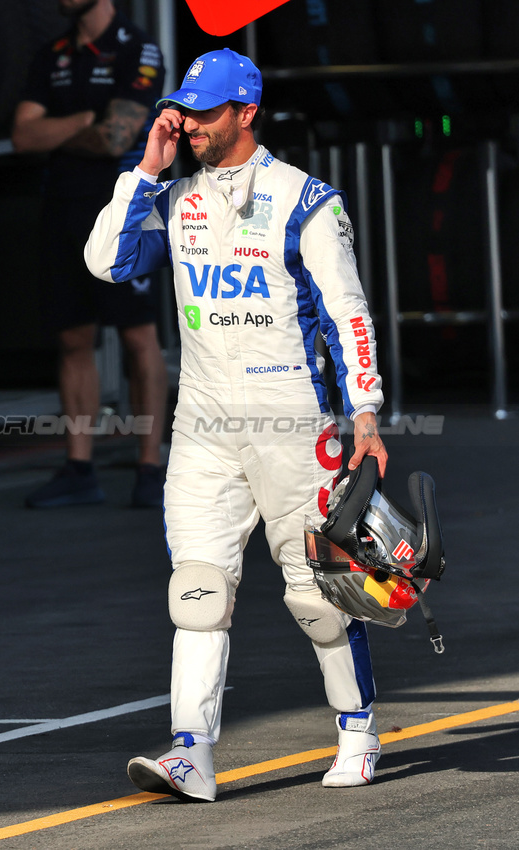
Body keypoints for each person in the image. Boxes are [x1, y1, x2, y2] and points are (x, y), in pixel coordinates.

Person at [84, 48, 389, 801]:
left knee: (319, 592)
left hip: (291, 420)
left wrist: (366, 415)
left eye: (203, 113)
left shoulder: (307, 200)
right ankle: (191, 752)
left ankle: (356, 730)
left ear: (245, 113)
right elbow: (103, 262)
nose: (187, 124)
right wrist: (144, 169)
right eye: (181, 110)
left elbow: (349, 312)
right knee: (196, 588)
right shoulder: (174, 192)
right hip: (202, 422)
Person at [12, 0, 168, 510]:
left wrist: (55, 131)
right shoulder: (50, 53)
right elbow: (21, 135)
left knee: (137, 336)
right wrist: (82, 119)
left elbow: (115, 138)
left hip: (123, 210)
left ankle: (150, 467)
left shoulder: (137, 48)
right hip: (62, 209)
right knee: (73, 337)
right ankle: (79, 469)